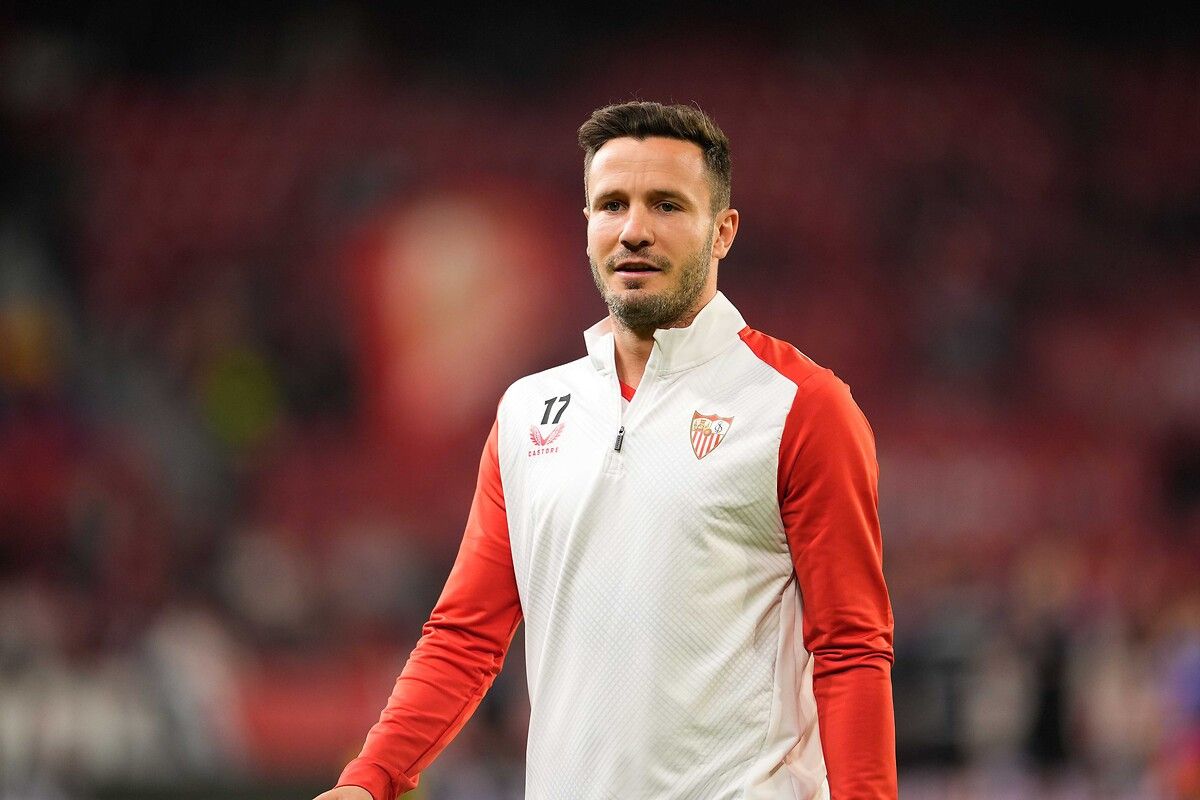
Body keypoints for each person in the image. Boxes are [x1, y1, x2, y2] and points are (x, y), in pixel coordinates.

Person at [315, 101, 896, 800]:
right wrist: (370, 779)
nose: (634, 230)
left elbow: (850, 649)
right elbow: (465, 638)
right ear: (587, 223)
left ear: (723, 232)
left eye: (667, 205)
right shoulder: (527, 412)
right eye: (613, 204)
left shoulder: (802, 408)